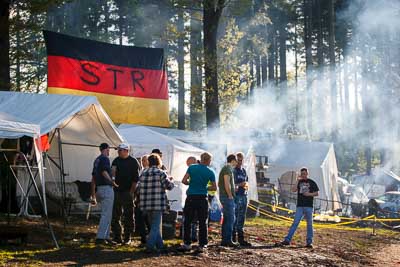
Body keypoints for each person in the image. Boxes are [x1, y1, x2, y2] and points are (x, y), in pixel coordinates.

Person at [181, 152, 217, 252]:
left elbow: (184, 181)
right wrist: (205, 186)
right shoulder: (210, 172)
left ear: (201, 159)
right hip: (202, 198)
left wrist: (191, 184)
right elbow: (214, 187)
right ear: (209, 161)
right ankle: (202, 245)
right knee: (202, 222)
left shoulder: (192, 167)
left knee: (187, 220)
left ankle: (187, 244)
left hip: (191, 197)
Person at [139, 153, 174, 252]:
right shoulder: (161, 173)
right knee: (155, 226)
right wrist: (171, 180)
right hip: (158, 203)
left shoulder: (143, 172)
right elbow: (169, 187)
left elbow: (138, 187)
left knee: (154, 226)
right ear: (159, 162)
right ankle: (149, 247)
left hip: (146, 204)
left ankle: (160, 245)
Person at [278, 167, 319, 248]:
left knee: (310, 224)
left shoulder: (312, 182)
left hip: (309, 206)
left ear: (307, 173)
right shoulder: (299, 182)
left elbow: (316, 193)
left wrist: (309, 194)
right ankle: (287, 240)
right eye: (302, 174)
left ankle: (309, 242)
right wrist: (297, 180)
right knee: (295, 223)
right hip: (300, 206)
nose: (303, 175)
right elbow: (293, 190)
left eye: (304, 173)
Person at [111, 143, 140, 245]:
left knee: (128, 215)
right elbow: (113, 170)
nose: (118, 152)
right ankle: (117, 236)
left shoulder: (133, 162)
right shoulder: (116, 160)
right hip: (117, 191)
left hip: (128, 191)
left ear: (126, 151)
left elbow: (135, 179)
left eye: (120, 150)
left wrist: (131, 192)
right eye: (118, 150)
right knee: (115, 215)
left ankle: (128, 237)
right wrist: (113, 179)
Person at [90, 143, 118, 245]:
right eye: (108, 149)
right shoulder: (105, 159)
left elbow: (93, 178)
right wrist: (112, 182)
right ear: (107, 149)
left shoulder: (96, 160)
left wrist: (93, 195)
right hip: (106, 188)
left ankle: (106, 236)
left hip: (99, 188)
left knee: (106, 213)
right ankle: (101, 237)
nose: (109, 151)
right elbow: (104, 172)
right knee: (106, 214)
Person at [218, 154, 238, 247]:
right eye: (236, 160)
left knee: (227, 218)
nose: (237, 162)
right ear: (233, 160)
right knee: (230, 219)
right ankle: (227, 240)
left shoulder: (228, 169)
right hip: (226, 197)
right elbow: (227, 183)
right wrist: (230, 195)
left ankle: (225, 239)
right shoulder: (227, 169)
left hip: (226, 196)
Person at [232, 152, 251, 246]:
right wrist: (240, 185)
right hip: (236, 196)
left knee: (242, 217)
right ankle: (233, 238)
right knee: (235, 217)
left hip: (244, 195)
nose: (239, 162)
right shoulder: (233, 171)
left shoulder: (243, 170)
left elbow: (246, 181)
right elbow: (232, 185)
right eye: (238, 160)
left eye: (241, 160)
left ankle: (241, 239)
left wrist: (246, 185)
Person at [135, 155, 150, 247]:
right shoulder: (142, 171)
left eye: (144, 160)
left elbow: (140, 186)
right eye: (142, 160)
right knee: (143, 220)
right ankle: (144, 237)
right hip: (141, 198)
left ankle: (145, 238)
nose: (143, 162)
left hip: (144, 199)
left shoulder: (146, 171)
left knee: (144, 219)